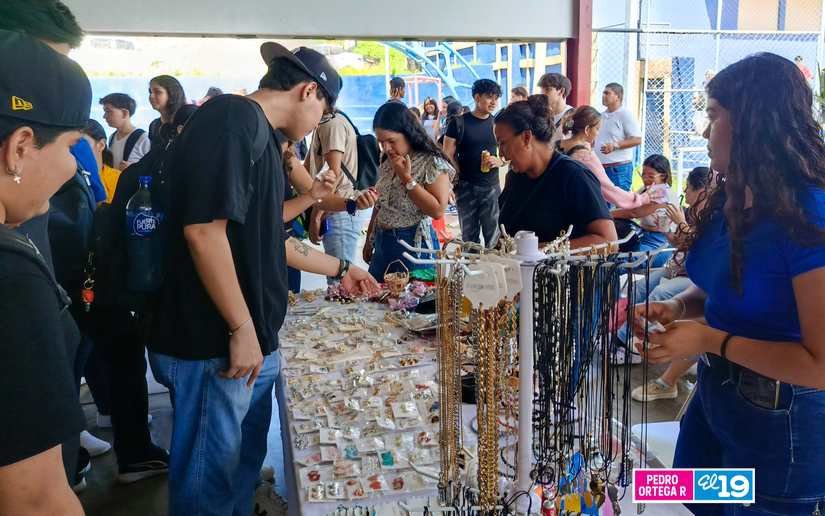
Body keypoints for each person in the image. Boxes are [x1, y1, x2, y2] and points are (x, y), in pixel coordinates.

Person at [149, 43, 378, 516]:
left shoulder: (263, 137)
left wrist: (343, 269)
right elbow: (202, 231)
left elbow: (269, 235)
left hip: (252, 341)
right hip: (214, 342)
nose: (318, 126)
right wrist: (241, 327)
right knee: (207, 480)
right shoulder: (232, 120)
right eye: (323, 113)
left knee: (240, 467)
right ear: (308, 90)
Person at [634, 53, 825, 515]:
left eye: (714, 115)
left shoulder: (810, 213)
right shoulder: (732, 195)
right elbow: (733, 285)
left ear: (753, 122)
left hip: (780, 427)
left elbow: (820, 366)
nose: (703, 132)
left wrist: (709, 339)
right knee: (684, 498)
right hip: (715, 399)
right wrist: (678, 307)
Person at [0, 29, 91, 516]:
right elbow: (36, 501)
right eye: (71, 146)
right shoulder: (11, 278)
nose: (71, 168)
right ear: (20, 146)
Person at [627, 166, 710, 398]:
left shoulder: (711, 216)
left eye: (688, 188)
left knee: (661, 294)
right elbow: (681, 244)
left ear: (702, 191)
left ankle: (644, 347)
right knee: (640, 287)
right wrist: (668, 230)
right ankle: (627, 339)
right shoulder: (691, 212)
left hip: (688, 276)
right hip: (677, 269)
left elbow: (700, 249)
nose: (685, 192)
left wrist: (680, 223)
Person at [496, 95, 616, 246]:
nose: (500, 154)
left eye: (503, 143)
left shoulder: (574, 176)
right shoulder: (515, 177)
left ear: (526, 137)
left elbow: (609, 241)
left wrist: (537, 250)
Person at [363, 101, 455, 281]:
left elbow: (437, 210)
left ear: (408, 133)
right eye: (381, 142)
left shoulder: (431, 162)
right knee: (377, 296)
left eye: (391, 141)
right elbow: (380, 203)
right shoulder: (387, 159)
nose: (386, 148)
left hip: (412, 245)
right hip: (382, 242)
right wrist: (369, 238)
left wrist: (406, 178)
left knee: (412, 297)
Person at [304, 107, 376, 271]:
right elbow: (309, 167)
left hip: (338, 209)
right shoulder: (327, 122)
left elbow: (333, 173)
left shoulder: (332, 124)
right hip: (335, 207)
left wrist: (316, 216)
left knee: (341, 276)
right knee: (339, 273)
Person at [443, 79, 504, 247]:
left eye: (496, 98)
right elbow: (447, 154)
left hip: (491, 187)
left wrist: (499, 161)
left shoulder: (497, 124)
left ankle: (493, 264)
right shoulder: (458, 123)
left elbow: (508, 153)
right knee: (469, 239)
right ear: (477, 97)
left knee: (494, 237)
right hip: (465, 187)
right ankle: (471, 264)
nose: (493, 102)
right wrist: (454, 177)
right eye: (489, 97)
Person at [557, 105, 651, 209]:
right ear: (587, 129)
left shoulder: (554, 147)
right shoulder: (585, 156)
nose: (598, 134)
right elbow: (610, 191)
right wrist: (642, 198)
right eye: (597, 129)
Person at [612, 154, 674, 266]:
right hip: (644, 236)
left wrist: (606, 214)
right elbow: (629, 204)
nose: (645, 179)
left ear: (663, 176)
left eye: (651, 176)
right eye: (643, 174)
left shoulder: (661, 192)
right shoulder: (647, 189)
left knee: (620, 264)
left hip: (659, 242)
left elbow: (633, 212)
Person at [594, 83, 642, 192]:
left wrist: (614, 146)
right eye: (603, 93)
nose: (603, 96)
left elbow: (637, 139)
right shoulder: (601, 116)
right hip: (601, 168)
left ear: (618, 96)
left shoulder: (625, 114)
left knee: (618, 201)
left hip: (618, 170)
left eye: (607, 93)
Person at [99, 93, 151, 170]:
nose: (104, 116)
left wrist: (134, 170)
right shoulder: (112, 137)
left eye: (108, 111)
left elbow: (153, 169)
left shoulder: (144, 138)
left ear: (124, 113)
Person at [81, 119, 120, 203]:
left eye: (83, 144)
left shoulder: (119, 179)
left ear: (101, 145)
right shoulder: (67, 178)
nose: (77, 149)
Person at [148, 74, 186, 148]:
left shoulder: (187, 119)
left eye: (157, 92)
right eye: (150, 92)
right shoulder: (154, 125)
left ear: (172, 94)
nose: (151, 96)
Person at [537, 72, 573, 141]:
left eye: (547, 89)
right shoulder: (540, 114)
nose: (542, 94)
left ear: (561, 91)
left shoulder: (572, 115)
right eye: (541, 90)